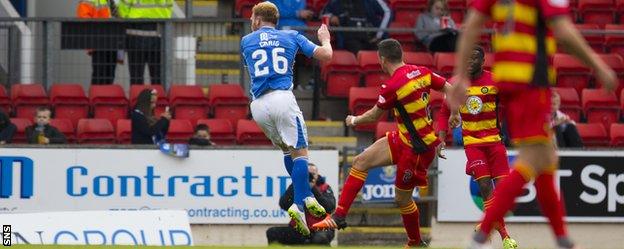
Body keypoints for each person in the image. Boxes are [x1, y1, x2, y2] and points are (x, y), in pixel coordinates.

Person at [446, 0, 618, 247]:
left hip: (508, 81)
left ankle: (561, 237)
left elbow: (471, 25)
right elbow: (563, 30)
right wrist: (599, 66)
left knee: (545, 159)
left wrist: (461, 73)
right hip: (531, 82)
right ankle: (481, 235)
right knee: (530, 160)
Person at [312, 39, 449, 248]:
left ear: (382, 60)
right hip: (404, 138)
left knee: (402, 199)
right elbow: (450, 88)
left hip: (417, 149)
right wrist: (454, 114)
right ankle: (339, 216)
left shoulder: (393, 85)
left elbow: (374, 116)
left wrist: (354, 120)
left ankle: (415, 242)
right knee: (360, 161)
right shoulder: (422, 71)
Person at [240, 1, 333, 236]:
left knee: (286, 151)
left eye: (252, 18)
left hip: (258, 105)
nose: (251, 22)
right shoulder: (292, 36)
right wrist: (325, 38)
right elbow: (327, 55)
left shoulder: (246, 41)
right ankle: (303, 199)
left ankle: (301, 203)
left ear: (258, 20)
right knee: (301, 153)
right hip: (282, 98)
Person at [436, 46, 517, 249]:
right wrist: (441, 138)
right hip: (473, 144)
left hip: (495, 143)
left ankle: (486, 225)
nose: (470, 62)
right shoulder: (455, 84)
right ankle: (506, 237)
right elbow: (444, 113)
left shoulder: (495, 82)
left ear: (483, 62)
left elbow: (512, 105)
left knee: (504, 191)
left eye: (475, 58)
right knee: (485, 187)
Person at [266, 163, 336, 245]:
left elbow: (329, 208)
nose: (309, 177)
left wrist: (312, 189)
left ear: (317, 175)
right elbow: (283, 204)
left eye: (312, 174)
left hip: (321, 228)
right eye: (307, 175)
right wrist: (296, 184)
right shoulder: (295, 186)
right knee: (272, 233)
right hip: (299, 229)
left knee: (319, 239)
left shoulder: (324, 187)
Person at [116, 0, 173, 85]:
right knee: (157, 78)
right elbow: (169, 11)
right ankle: (155, 98)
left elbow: (122, 12)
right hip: (157, 35)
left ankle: (139, 98)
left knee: (136, 77)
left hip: (135, 36)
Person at [322, 0, 391, 54]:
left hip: (371, 38)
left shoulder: (372, 1)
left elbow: (387, 12)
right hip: (348, 39)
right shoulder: (336, 1)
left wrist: (379, 35)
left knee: (383, 54)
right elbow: (324, 14)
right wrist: (331, 17)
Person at [76, 0, 118, 85]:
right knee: (99, 74)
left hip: (113, 40)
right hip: (98, 41)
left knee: (110, 74)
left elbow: (117, 15)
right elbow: (84, 18)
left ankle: (106, 96)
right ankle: (97, 96)